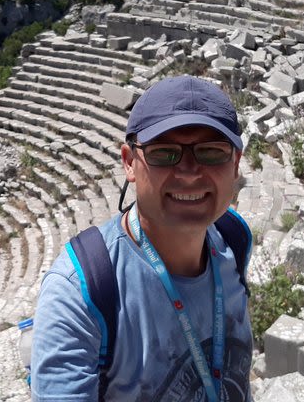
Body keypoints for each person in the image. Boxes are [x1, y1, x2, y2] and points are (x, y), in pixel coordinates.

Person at [30, 75, 253, 401]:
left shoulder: (234, 237)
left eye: (211, 151)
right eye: (164, 153)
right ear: (130, 162)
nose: (189, 171)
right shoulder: (78, 292)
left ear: (235, 164)